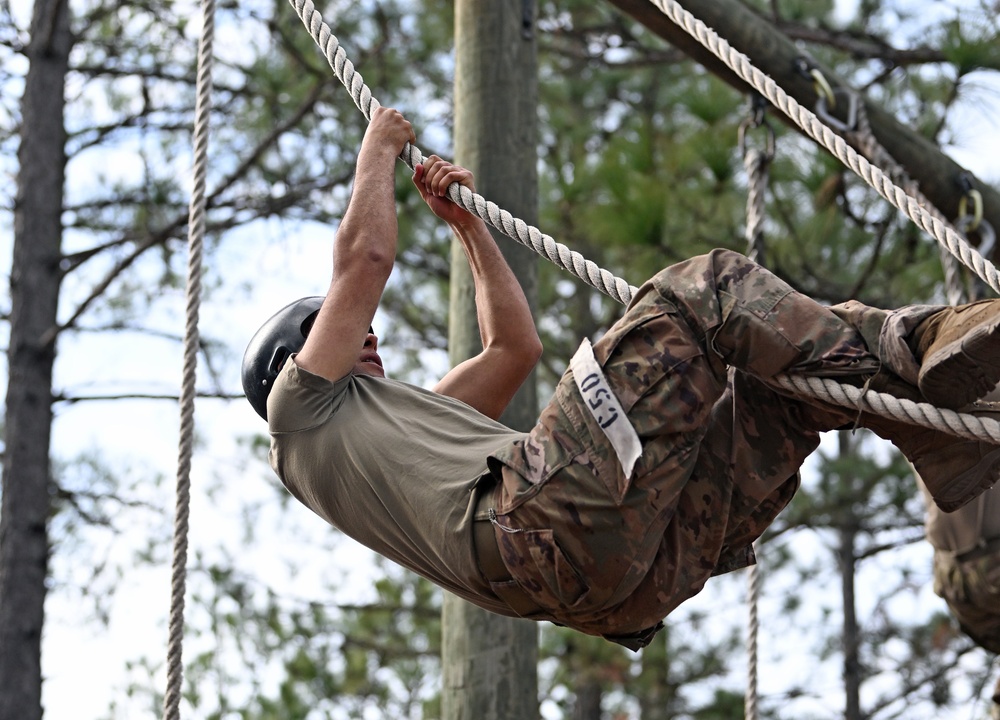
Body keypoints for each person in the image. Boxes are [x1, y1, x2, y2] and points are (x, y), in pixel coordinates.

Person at [243, 106, 1000, 650]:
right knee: (699, 289)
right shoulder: (299, 409)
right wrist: (378, 147)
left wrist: (467, 230)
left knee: (784, 392)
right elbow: (366, 262)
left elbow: (513, 349)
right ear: (294, 359)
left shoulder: (409, 431)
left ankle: (927, 425)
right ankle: (926, 347)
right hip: (538, 522)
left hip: (620, 588)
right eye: (337, 327)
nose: (366, 333)